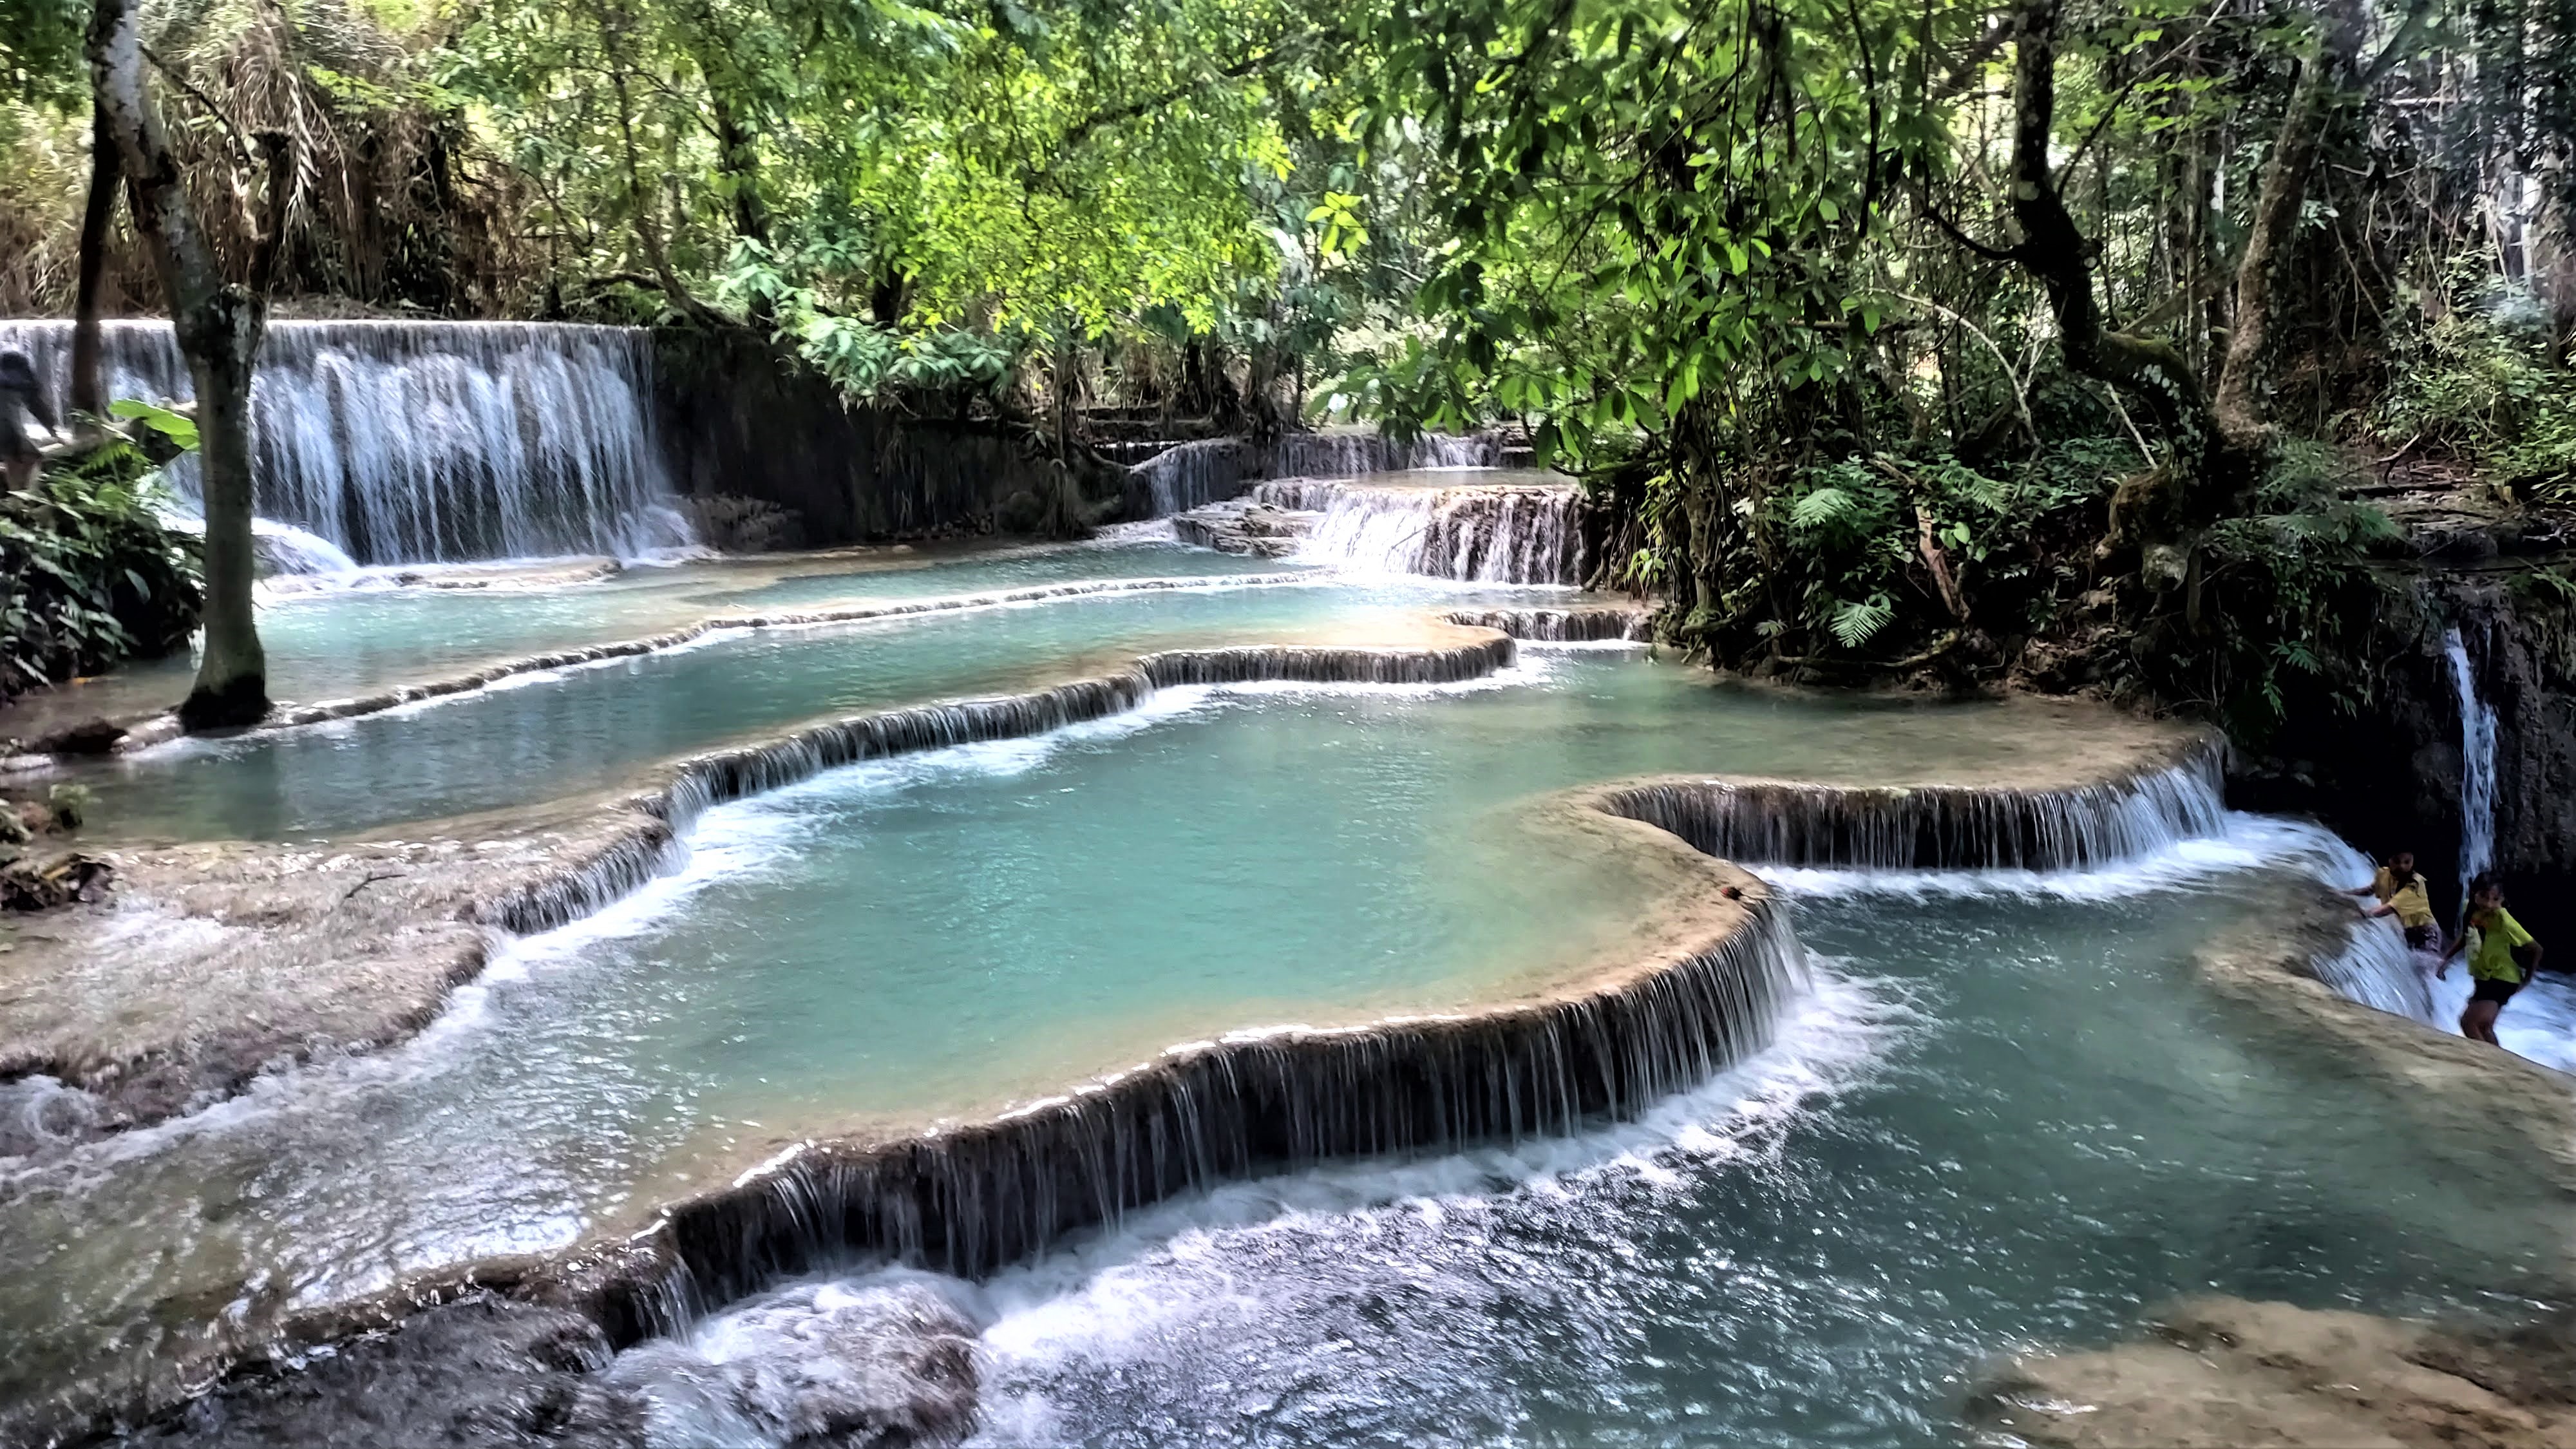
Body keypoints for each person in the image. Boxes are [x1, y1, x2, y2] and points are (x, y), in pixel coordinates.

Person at [2439, 876, 2542, 1046]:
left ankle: (2485, 1065)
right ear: (2474, 894)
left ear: (2502, 899)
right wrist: (2445, 959)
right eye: (2484, 896)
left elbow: (2536, 949)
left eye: (2495, 899)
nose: (2488, 904)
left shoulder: (2503, 920)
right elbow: (2466, 936)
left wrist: (2527, 979)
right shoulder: (2469, 908)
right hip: (2484, 978)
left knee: (2469, 1022)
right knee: (2485, 1028)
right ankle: (2503, 1065)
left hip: (2502, 980)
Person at [2348, 850, 2438, 950]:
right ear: (2390, 860)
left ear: (2412, 863)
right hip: (2408, 932)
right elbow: (2370, 890)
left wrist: (2362, 915)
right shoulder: (2384, 873)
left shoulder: (2415, 883)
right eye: (2397, 861)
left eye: (2407, 862)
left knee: (2427, 962)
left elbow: (2389, 909)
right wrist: (2344, 894)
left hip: (2427, 935)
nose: (2402, 866)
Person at [0, 349, 61, 492]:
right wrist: (54, 433)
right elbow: (37, 407)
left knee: (12, 457)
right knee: (32, 456)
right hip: (7, 429)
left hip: (6, 430)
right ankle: (25, 497)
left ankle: (17, 496)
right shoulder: (22, 382)